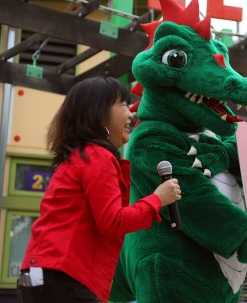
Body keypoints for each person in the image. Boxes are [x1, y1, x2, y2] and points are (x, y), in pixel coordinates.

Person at [17, 76, 181, 303]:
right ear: (98, 113)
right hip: (64, 277)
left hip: (49, 276)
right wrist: (157, 199)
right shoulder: (97, 156)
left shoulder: (81, 156)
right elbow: (113, 221)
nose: (131, 113)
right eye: (123, 104)